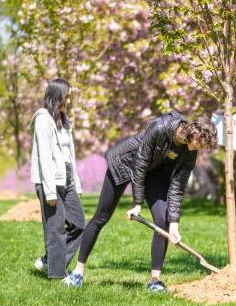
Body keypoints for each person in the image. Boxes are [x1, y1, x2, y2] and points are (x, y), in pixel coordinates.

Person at [65, 111, 218, 292]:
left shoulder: (189, 152)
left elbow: (177, 188)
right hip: (125, 163)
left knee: (163, 220)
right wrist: (137, 204)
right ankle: (78, 272)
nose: (202, 148)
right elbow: (140, 164)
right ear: (196, 134)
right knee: (101, 217)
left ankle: (155, 281)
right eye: (202, 143)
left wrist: (175, 224)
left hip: (152, 170)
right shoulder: (161, 127)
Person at [30, 78, 86, 285]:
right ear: (56, 96)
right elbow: (44, 155)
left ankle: (52, 261)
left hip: (68, 177)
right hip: (50, 180)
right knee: (55, 228)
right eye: (66, 96)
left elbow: (70, 154)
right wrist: (50, 191)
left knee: (79, 224)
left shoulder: (64, 121)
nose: (69, 101)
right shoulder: (43, 119)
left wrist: (77, 184)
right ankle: (57, 274)